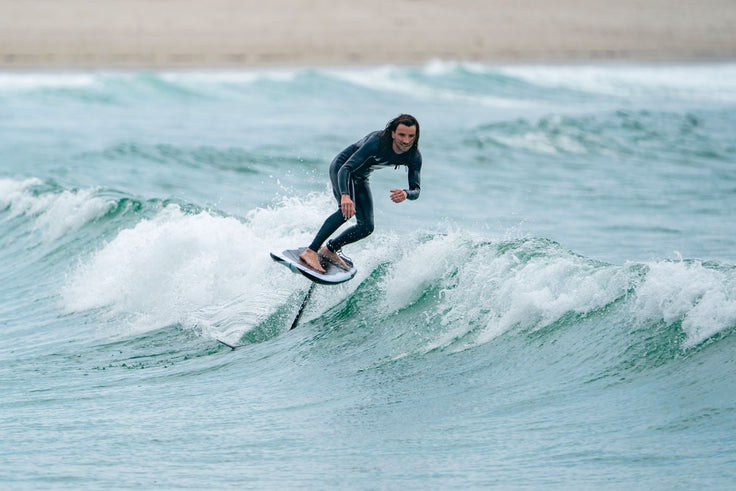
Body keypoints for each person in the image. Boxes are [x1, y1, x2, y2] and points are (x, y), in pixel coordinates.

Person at [300, 114, 422, 273]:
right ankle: (310, 251)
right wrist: (345, 195)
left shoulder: (414, 156)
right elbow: (346, 168)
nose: (406, 141)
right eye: (401, 135)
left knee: (366, 227)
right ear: (392, 133)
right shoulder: (377, 142)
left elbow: (416, 190)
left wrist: (406, 193)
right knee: (346, 212)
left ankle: (330, 249)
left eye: (411, 136)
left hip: (361, 177)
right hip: (342, 169)